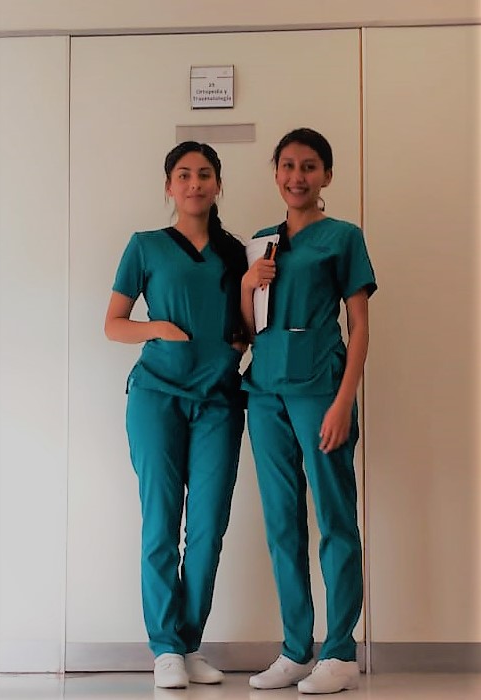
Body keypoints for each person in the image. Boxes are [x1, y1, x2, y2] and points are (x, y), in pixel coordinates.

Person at [104, 141, 247, 689]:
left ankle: (188, 644)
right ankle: (165, 647)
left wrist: (239, 340)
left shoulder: (238, 254)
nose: (194, 183)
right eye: (183, 175)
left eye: (204, 174)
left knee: (208, 528)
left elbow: (248, 324)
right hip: (156, 396)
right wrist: (158, 328)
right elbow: (114, 324)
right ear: (169, 186)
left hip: (218, 400)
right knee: (162, 521)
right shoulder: (144, 246)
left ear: (218, 184)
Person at [241, 128, 377, 695]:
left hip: (320, 390)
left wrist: (344, 401)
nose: (297, 176)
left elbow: (360, 326)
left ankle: (339, 652)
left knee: (336, 521)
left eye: (310, 166)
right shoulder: (261, 243)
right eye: (289, 165)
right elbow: (249, 329)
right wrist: (247, 284)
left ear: (327, 176)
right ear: (275, 172)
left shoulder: (343, 237)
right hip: (263, 393)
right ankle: (296, 649)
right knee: (281, 524)